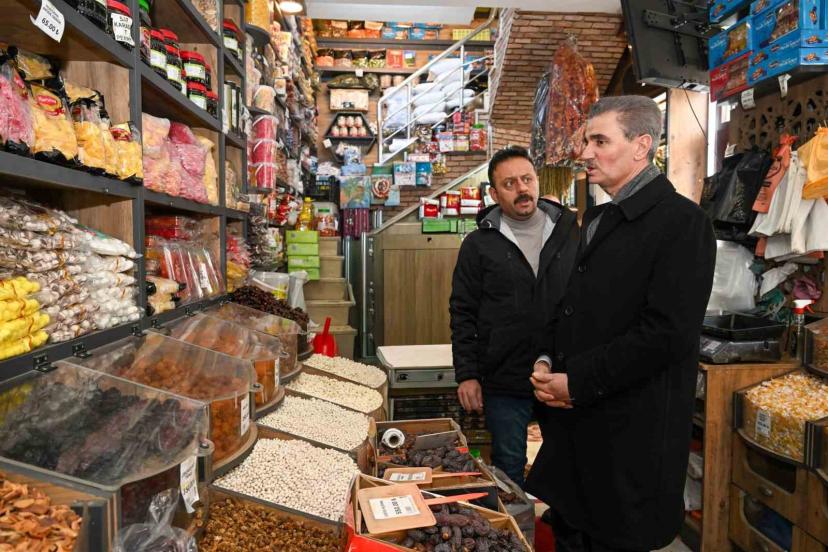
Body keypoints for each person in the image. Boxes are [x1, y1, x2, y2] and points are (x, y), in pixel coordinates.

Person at [525, 96, 716, 551]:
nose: (585, 153)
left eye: (600, 141)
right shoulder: (602, 217)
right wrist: (547, 357)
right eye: (587, 141)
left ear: (641, 146)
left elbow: (666, 334)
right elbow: (573, 306)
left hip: (629, 444)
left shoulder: (683, 223)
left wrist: (578, 381)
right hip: (579, 437)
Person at [449, 146, 579, 487]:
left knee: (568, 463)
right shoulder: (478, 244)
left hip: (562, 374)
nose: (522, 189)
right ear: (494, 194)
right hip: (504, 377)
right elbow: (462, 312)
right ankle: (515, 522)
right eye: (509, 184)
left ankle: (559, 519)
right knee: (508, 468)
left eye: (527, 179)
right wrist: (467, 374)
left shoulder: (570, 232)